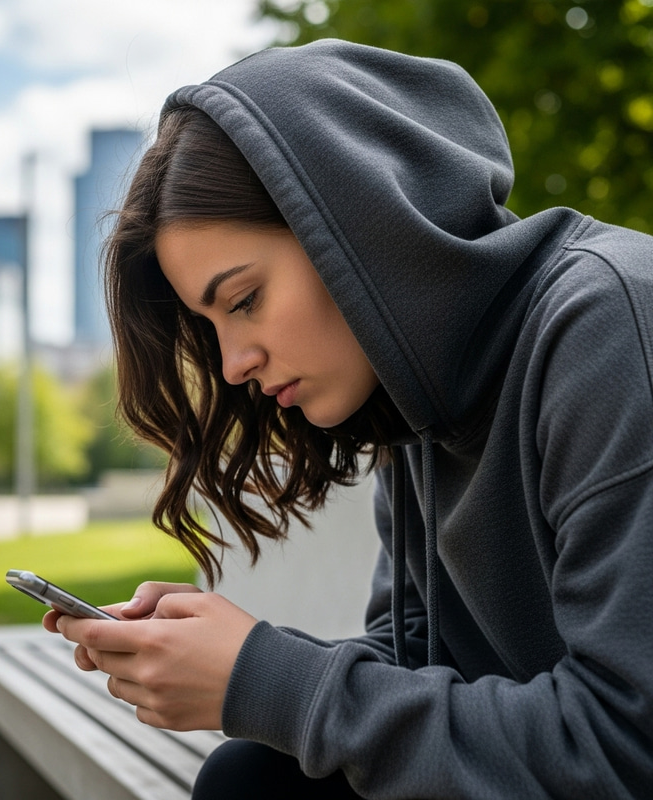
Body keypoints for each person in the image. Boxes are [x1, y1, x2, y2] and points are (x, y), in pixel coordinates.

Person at [43, 39, 653, 798]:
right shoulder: (417, 403)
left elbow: (626, 749)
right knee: (252, 779)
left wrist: (264, 678)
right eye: (212, 328)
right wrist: (236, 659)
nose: (232, 364)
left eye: (244, 301)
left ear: (359, 231)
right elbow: (416, 659)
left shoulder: (610, 324)